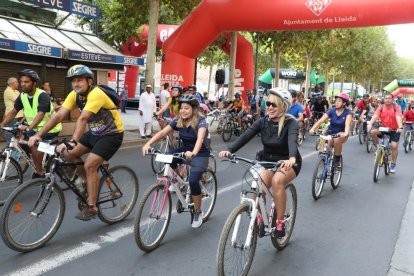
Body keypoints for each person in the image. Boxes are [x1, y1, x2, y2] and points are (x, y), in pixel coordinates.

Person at [28, 64, 124, 220]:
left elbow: (83, 118)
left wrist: (73, 140)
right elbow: (58, 116)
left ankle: (92, 206)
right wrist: (38, 135)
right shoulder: (74, 95)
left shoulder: (96, 94)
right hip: (94, 133)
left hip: (111, 135)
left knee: (90, 165)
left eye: (79, 80)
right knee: (66, 152)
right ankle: (87, 184)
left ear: (89, 81)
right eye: (73, 81)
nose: (75, 84)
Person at [219, 88, 301, 238]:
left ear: (284, 106)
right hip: (268, 160)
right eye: (268, 103)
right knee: (258, 184)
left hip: (288, 162)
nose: (269, 107)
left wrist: (291, 158)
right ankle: (259, 217)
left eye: (274, 105)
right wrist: (230, 150)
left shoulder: (291, 123)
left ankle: (280, 222)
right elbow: (246, 135)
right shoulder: (262, 121)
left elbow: (292, 141)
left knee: (277, 181)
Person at [142, 94, 210, 228]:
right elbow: (162, 133)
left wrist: (194, 153)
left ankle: (197, 211)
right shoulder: (178, 120)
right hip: (185, 149)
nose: (183, 111)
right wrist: (148, 144)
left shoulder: (202, 121)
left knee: (193, 181)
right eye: (181, 108)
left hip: (200, 153)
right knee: (169, 157)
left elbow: (200, 139)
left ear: (194, 109)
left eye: (187, 108)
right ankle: (180, 180)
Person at [1, 70, 62, 178]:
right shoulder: (23, 96)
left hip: (50, 128)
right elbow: (14, 111)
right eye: (21, 82)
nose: (22, 84)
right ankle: (43, 153)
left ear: (34, 83)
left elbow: (40, 114)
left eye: (26, 82)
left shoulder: (43, 96)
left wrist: (29, 128)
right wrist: (2, 124)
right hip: (34, 128)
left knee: (33, 144)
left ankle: (39, 173)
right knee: (20, 143)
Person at [310, 93, 352, 166]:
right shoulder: (331, 111)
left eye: (339, 101)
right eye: (336, 101)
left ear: (344, 103)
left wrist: (345, 133)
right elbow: (320, 121)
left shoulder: (348, 112)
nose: (336, 102)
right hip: (330, 132)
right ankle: (322, 158)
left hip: (341, 134)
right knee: (323, 139)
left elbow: (347, 124)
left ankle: (337, 159)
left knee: (337, 140)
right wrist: (313, 129)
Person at [367, 94, 403, 173]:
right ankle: (377, 148)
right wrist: (370, 123)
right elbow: (375, 116)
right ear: (384, 99)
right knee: (373, 132)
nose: (387, 100)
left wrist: (400, 127)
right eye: (386, 98)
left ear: (392, 99)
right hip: (384, 128)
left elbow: (398, 117)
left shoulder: (397, 107)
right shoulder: (381, 107)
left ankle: (393, 164)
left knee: (394, 146)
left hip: (394, 129)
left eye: (389, 98)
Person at [3, 77, 24, 143]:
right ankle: (9, 146)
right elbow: (19, 100)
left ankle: (17, 146)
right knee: (10, 131)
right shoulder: (8, 91)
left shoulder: (16, 91)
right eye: (17, 82)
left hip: (19, 115)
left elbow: (22, 99)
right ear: (12, 83)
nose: (18, 83)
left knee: (19, 131)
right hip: (12, 115)